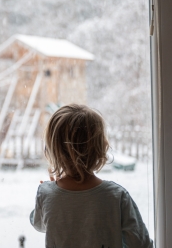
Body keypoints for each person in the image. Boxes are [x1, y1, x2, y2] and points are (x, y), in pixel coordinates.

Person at [30, 104, 153, 248]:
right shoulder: (117, 196)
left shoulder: (46, 194)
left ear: (52, 150)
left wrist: (51, 190)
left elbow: (38, 224)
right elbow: (140, 243)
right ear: (102, 148)